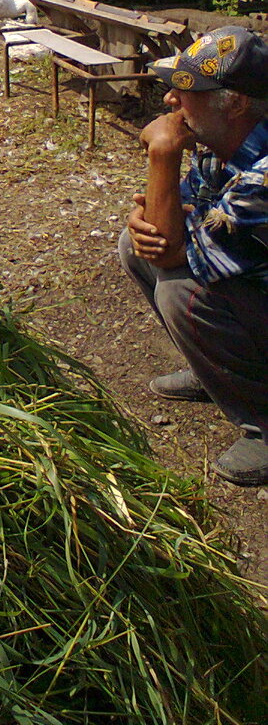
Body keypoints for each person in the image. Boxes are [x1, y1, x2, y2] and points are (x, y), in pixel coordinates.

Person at [118, 25, 268, 486]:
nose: (169, 102)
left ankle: (263, 424)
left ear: (236, 102)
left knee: (183, 292)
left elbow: (174, 257)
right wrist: (144, 219)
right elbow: (168, 230)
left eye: (185, 91)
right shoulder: (221, 142)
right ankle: (217, 371)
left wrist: (162, 156)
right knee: (133, 247)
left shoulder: (262, 181)